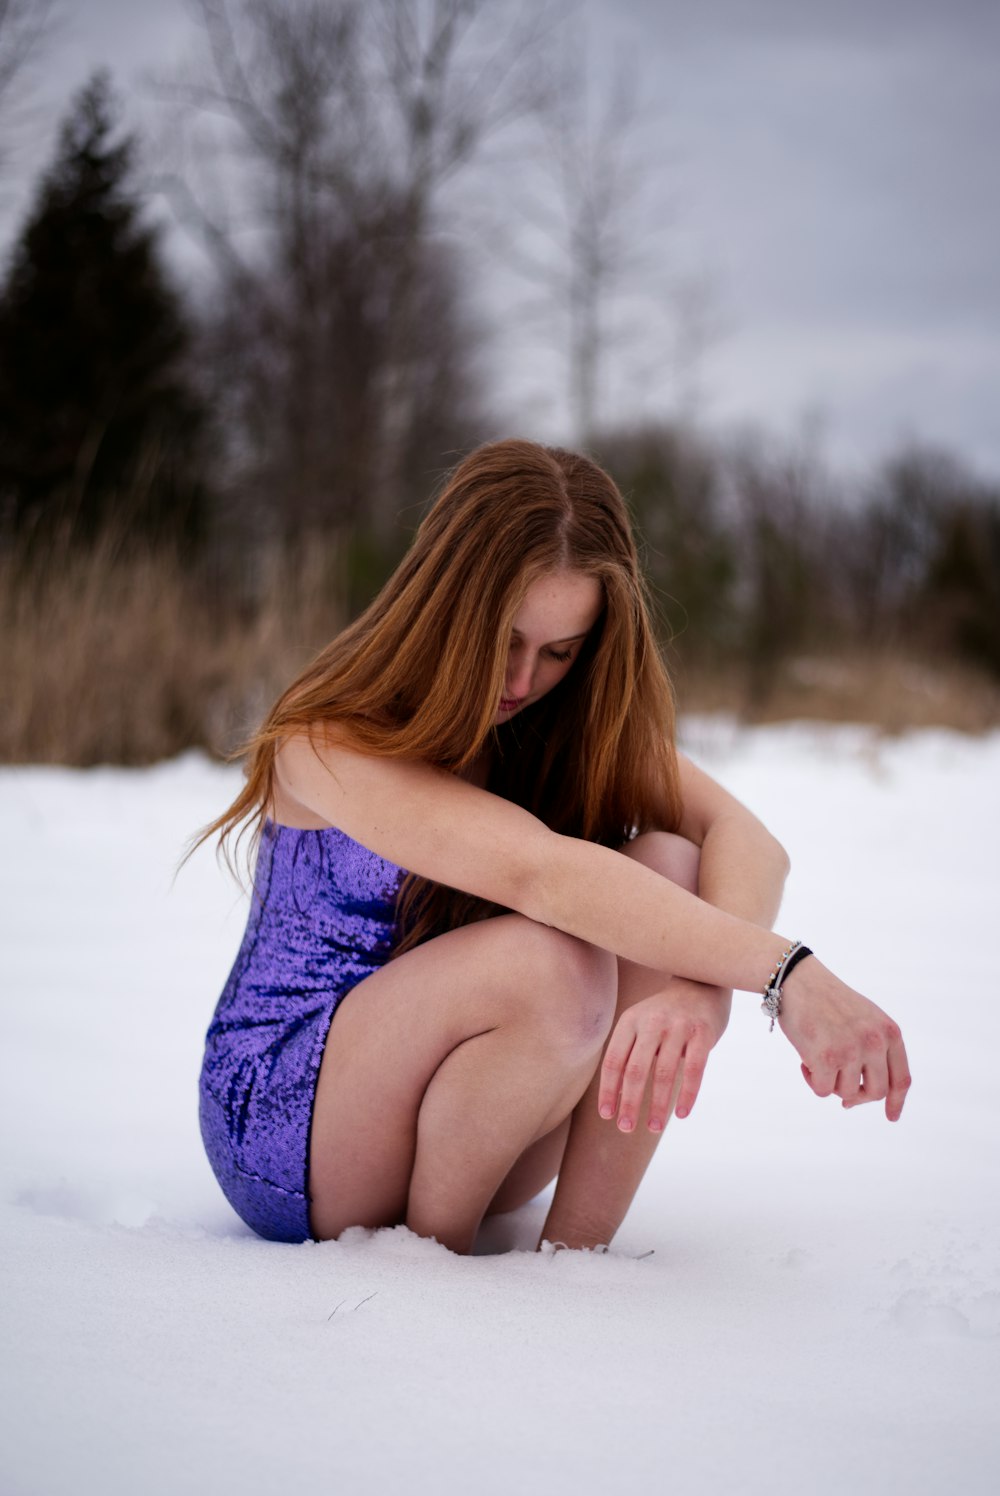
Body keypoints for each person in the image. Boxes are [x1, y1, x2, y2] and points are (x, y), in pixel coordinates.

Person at [197, 438, 910, 1254]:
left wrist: (699, 996)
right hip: (294, 1124)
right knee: (557, 962)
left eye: (560, 652)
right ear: (447, 606)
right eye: (504, 638)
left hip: (483, 1106)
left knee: (672, 867)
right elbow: (540, 874)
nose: (523, 680)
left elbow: (745, 837)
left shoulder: (555, 724)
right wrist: (786, 972)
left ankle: (574, 1271)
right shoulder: (327, 739)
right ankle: (429, 1275)